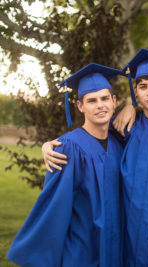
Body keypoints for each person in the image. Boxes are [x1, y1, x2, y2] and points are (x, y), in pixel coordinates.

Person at [42, 49, 148, 267]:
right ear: (136, 92)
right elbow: (90, 137)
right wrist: (48, 145)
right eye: (143, 87)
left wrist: (133, 107)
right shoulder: (125, 129)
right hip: (133, 234)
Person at [7, 63, 124, 266]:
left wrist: (134, 107)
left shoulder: (120, 143)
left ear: (114, 102)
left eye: (105, 98)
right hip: (83, 250)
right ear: (80, 106)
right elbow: (54, 206)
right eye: (92, 100)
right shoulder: (67, 148)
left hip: (117, 248)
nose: (100, 105)